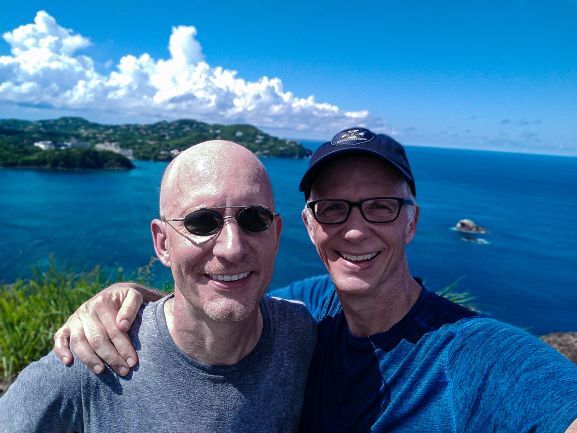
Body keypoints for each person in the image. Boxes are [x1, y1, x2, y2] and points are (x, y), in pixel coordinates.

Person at [52, 128, 577, 432]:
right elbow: (223, 299)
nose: (354, 229)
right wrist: (137, 299)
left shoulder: (477, 356)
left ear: (411, 220)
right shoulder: (303, 312)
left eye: (380, 207)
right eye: (332, 209)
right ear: (308, 224)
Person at [0, 141, 316, 433]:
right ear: (162, 243)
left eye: (254, 219)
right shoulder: (91, 363)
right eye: (203, 222)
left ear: (275, 234)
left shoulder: (302, 333)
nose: (232, 248)